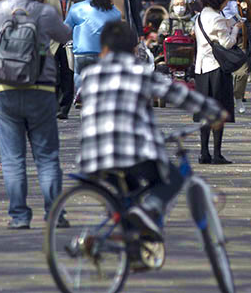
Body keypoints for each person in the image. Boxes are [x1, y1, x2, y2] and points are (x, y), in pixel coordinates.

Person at [78, 21, 227, 240]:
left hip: (91, 157)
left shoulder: (90, 75)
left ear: (104, 49)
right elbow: (177, 93)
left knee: (129, 196)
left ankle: (132, 244)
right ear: (133, 49)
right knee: (172, 178)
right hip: (132, 153)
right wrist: (213, 111)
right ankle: (147, 212)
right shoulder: (138, 72)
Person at [0, 0, 73, 229]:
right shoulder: (45, 11)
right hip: (41, 90)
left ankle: (19, 216)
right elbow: (65, 35)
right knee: (46, 156)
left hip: (3, 90)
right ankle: (55, 213)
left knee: (12, 158)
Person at [194, 0, 240, 164]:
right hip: (216, 69)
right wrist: (235, 29)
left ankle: (204, 152)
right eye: (227, 0)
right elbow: (227, 43)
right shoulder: (217, 18)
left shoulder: (201, 15)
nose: (227, 4)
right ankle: (217, 154)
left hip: (201, 69)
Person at [65, 0, 122, 97]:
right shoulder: (115, 13)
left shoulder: (77, 8)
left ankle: (80, 94)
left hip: (82, 53)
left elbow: (65, 30)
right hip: (104, 55)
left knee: (79, 73)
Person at [46, 0, 77, 119]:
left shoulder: (77, 0)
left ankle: (64, 108)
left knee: (68, 75)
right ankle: (53, 106)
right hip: (51, 42)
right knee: (53, 76)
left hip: (69, 43)